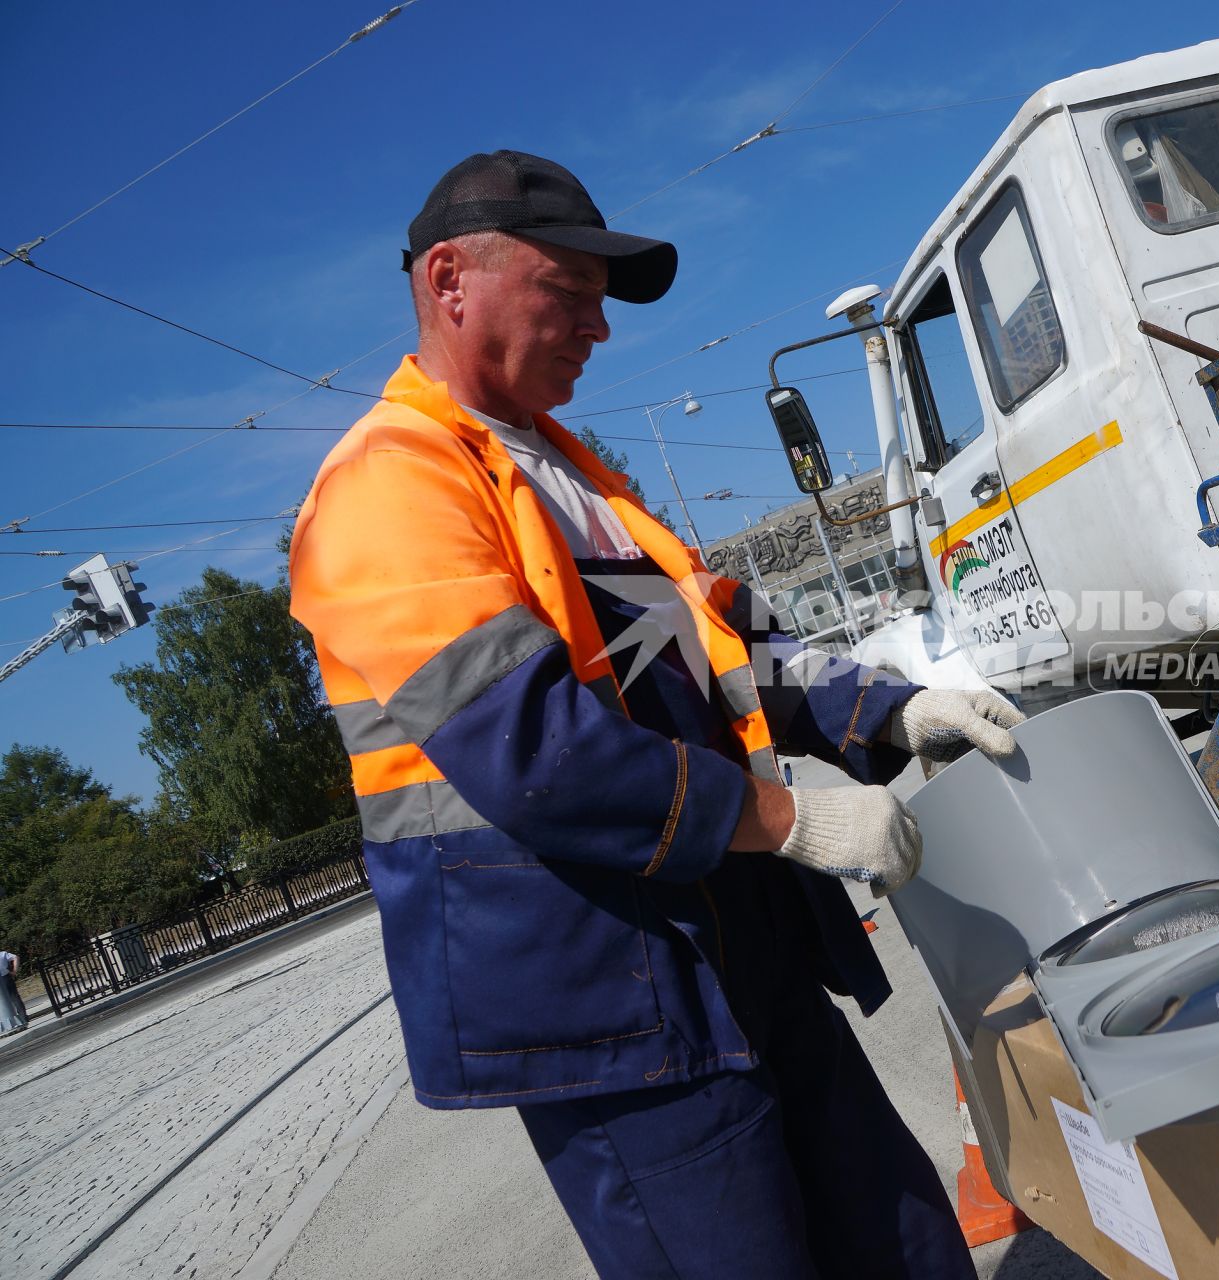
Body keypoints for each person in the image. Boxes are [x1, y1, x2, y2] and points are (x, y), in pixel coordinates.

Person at [288, 150, 1023, 1280]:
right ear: (449, 279)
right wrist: (792, 822)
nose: (598, 328)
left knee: (903, 1240)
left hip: (729, 941)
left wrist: (896, 707)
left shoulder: (570, 472)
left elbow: (719, 652)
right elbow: (536, 755)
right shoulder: (389, 484)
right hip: (602, 999)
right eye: (567, 293)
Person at [0, 948, 28, 1034]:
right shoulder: (3, 954)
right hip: (6, 977)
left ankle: (5, 1024)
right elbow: (16, 957)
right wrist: (14, 971)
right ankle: (23, 1019)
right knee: (15, 998)